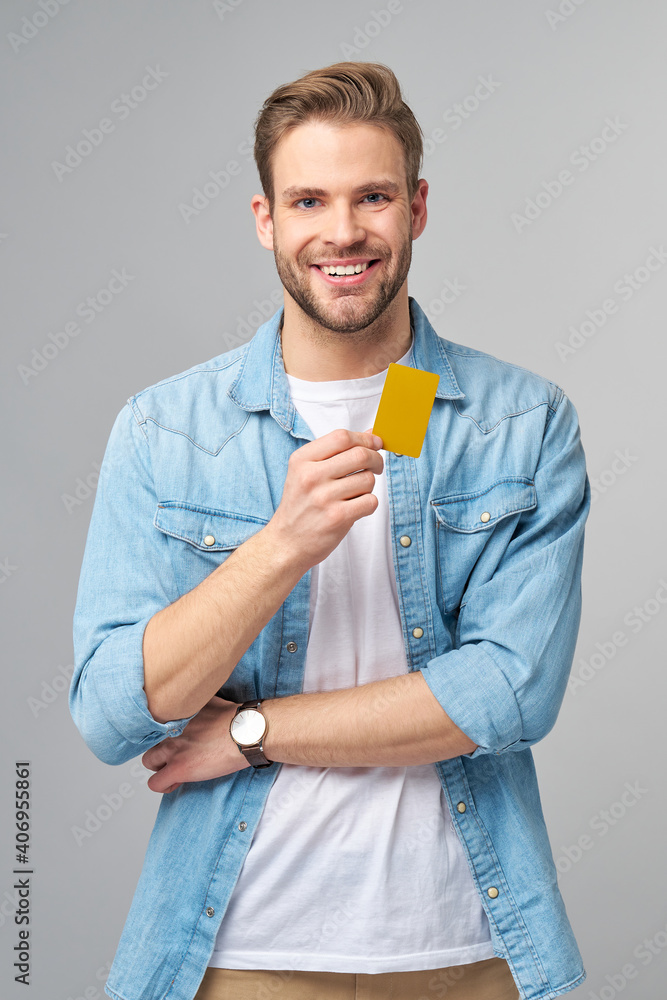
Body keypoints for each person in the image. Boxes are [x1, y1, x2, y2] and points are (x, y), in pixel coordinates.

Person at [70, 62, 590, 1000]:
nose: (342, 231)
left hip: (466, 951)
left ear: (417, 208)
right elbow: (113, 712)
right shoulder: (168, 429)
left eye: (373, 197)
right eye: (308, 199)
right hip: (240, 955)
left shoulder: (518, 423)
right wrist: (280, 548)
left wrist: (254, 731)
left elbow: (507, 693)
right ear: (266, 219)